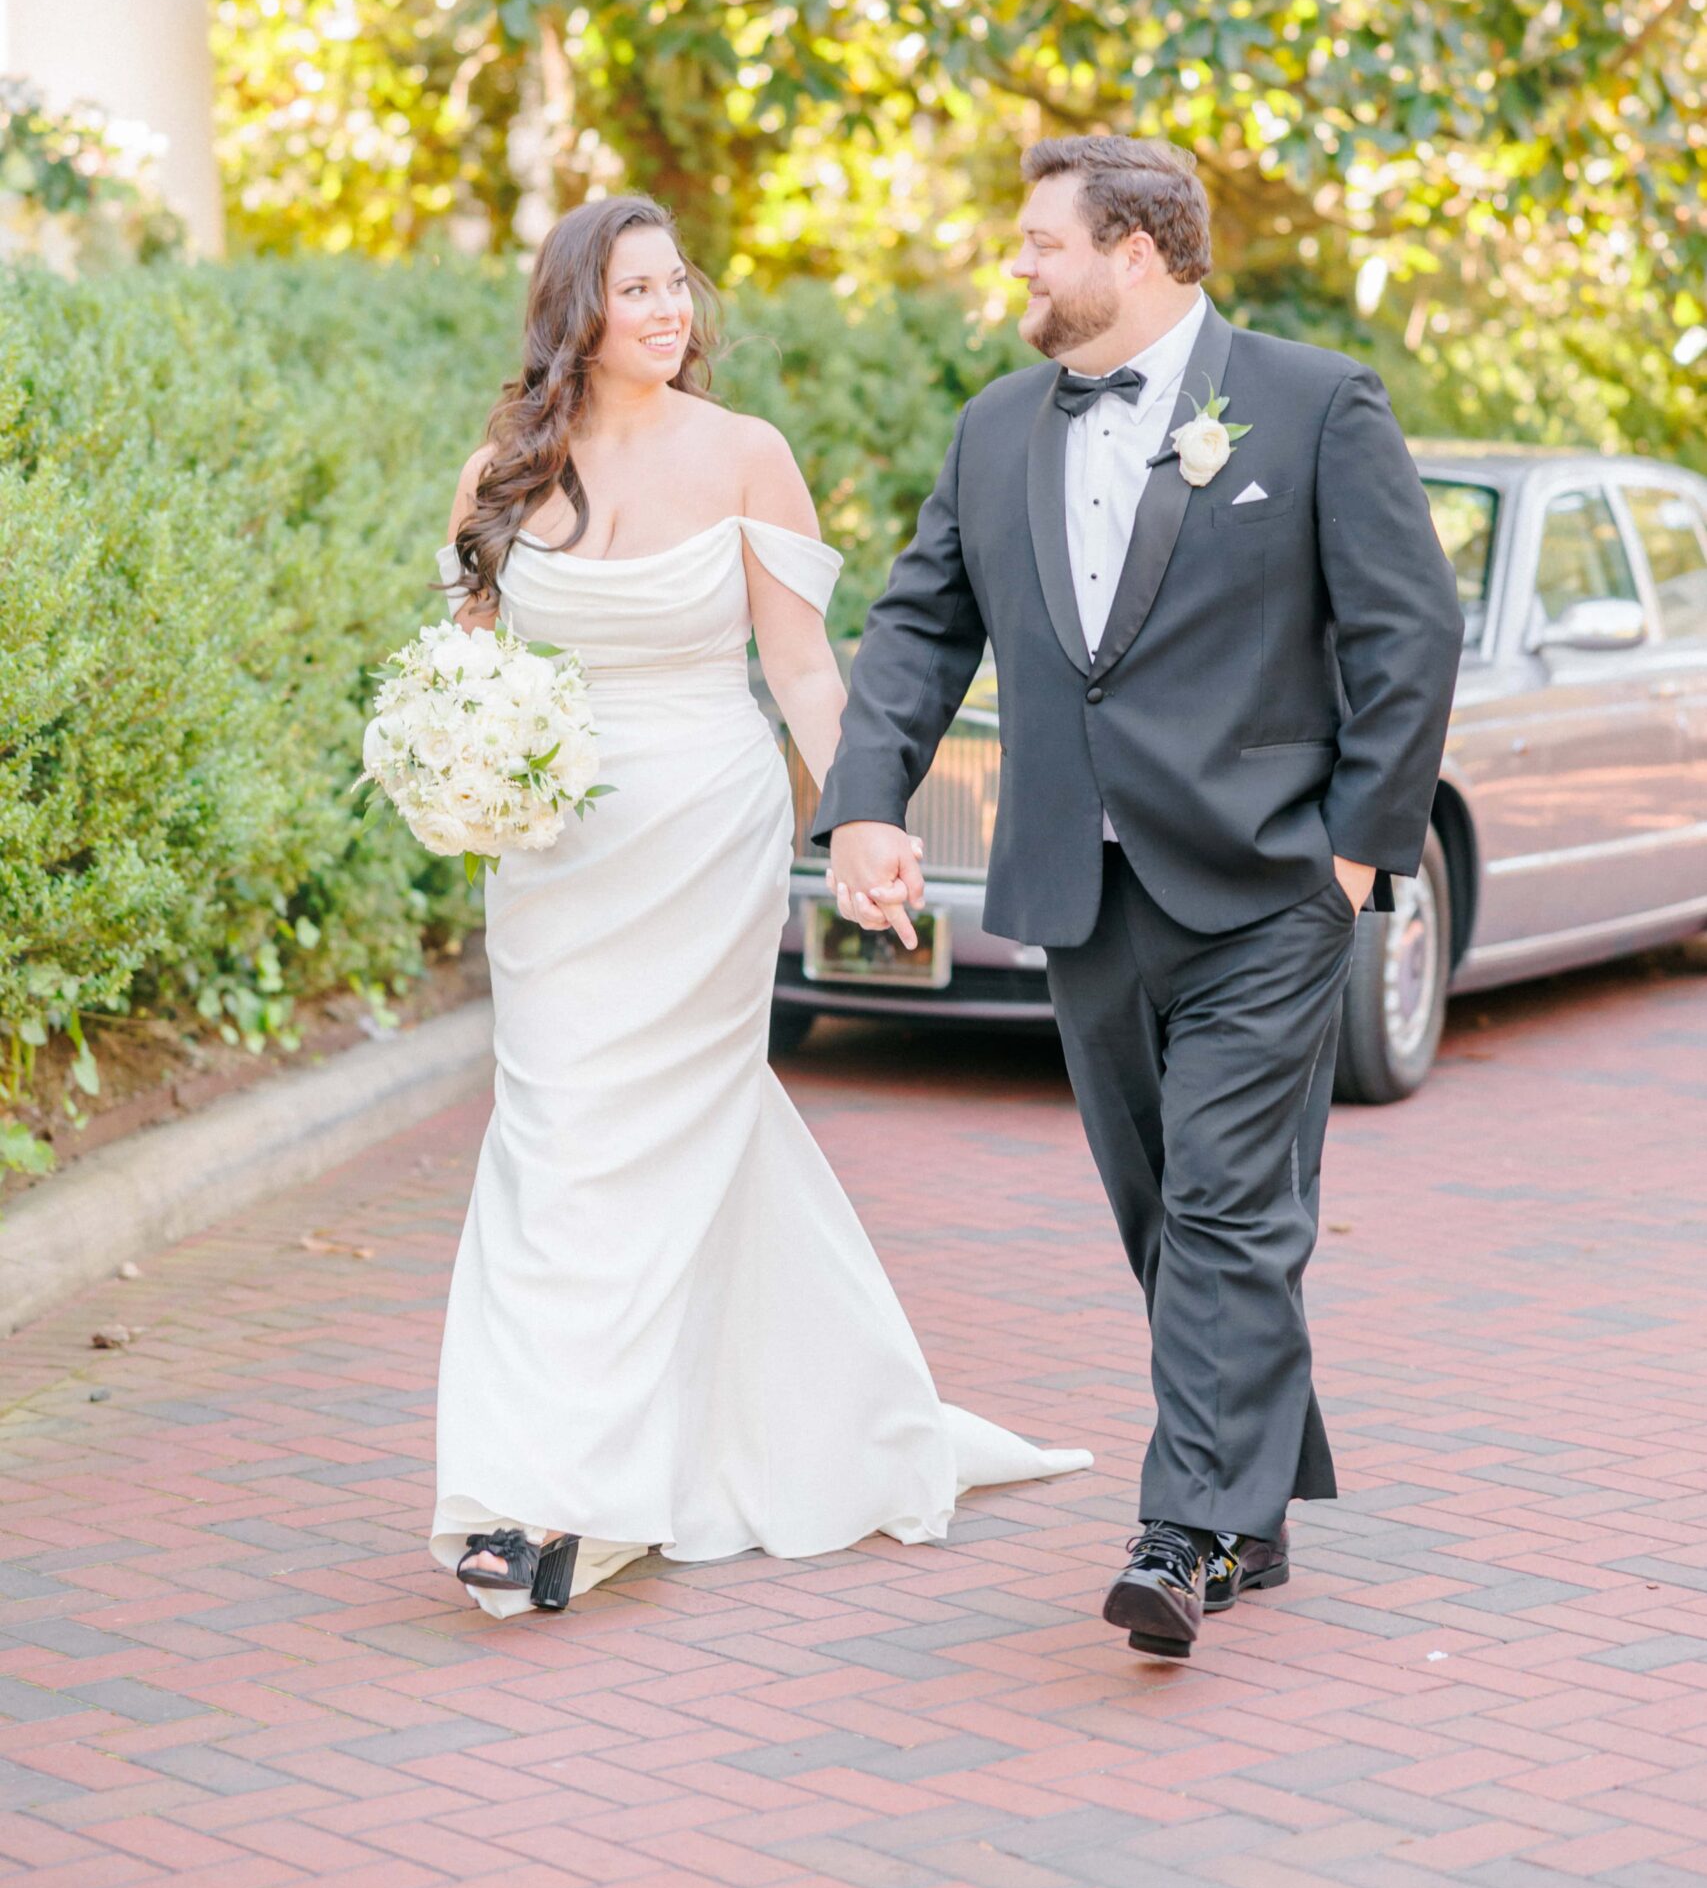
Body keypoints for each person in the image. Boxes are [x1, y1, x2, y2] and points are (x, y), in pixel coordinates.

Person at [817, 137, 1462, 1662]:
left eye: (1044, 242)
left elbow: (1409, 632)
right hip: (1078, 885)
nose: (1020, 266)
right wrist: (862, 800)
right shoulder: (991, 433)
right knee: (1167, 1212)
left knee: (1235, 1202)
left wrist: (1355, 854)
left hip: (1266, 884)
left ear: (1141, 251)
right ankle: (1255, 1502)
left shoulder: (1313, 403)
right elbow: (918, 628)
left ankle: (1179, 1536)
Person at [428, 194, 1089, 1616]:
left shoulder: (745, 455)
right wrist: (457, 770)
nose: (669, 312)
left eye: (678, 286)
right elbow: (464, 665)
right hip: (553, 857)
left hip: (703, 836)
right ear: (574, 314)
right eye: (635, 291)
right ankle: (607, 1460)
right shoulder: (505, 470)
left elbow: (800, 668)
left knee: (649, 1139)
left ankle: (556, 1501)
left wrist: (866, 818)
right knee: (557, 1141)